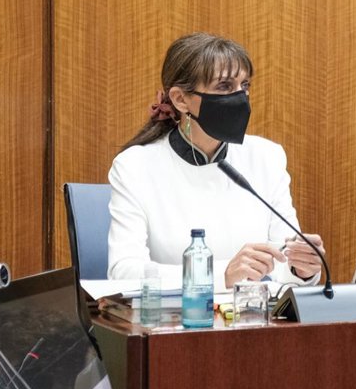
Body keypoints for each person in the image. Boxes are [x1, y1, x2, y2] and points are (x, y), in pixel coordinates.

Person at [107, 33, 325, 288]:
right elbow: (123, 272)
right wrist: (220, 274)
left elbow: (282, 263)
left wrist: (301, 269)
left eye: (244, 86)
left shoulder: (267, 157)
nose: (240, 97)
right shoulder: (134, 167)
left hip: (251, 310)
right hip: (178, 311)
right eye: (224, 86)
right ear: (180, 99)